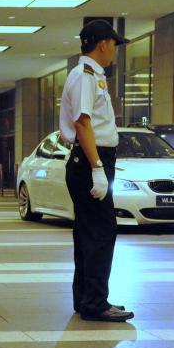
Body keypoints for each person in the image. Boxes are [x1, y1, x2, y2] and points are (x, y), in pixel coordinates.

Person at [58, 19, 134, 322]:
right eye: (114, 44)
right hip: (90, 160)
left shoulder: (91, 75)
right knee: (102, 233)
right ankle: (95, 303)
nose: (114, 50)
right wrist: (98, 168)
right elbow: (83, 123)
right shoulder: (86, 75)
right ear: (103, 43)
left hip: (90, 159)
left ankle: (86, 299)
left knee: (88, 234)